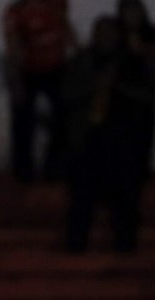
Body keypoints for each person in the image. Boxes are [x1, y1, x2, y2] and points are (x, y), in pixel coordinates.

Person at [62, 17, 153, 253]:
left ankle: (124, 247)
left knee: (125, 201)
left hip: (122, 140)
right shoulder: (82, 60)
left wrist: (117, 88)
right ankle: (75, 246)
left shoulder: (132, 63)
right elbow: (67, 93)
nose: (104, 37)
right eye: (99, 32)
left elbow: (145, 96)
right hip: (88, 139)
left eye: (109, 32)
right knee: (82, 199)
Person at [4, 0, 78, 182]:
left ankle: (56, 168)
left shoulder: (57, 4)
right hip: (28, 70)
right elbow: (13, 47)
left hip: (57, 69)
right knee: (23, 122)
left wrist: (79, 54)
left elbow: (66, 29)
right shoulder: (17, 11)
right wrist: (16, 82)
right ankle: (24, 173)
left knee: (63, 118)